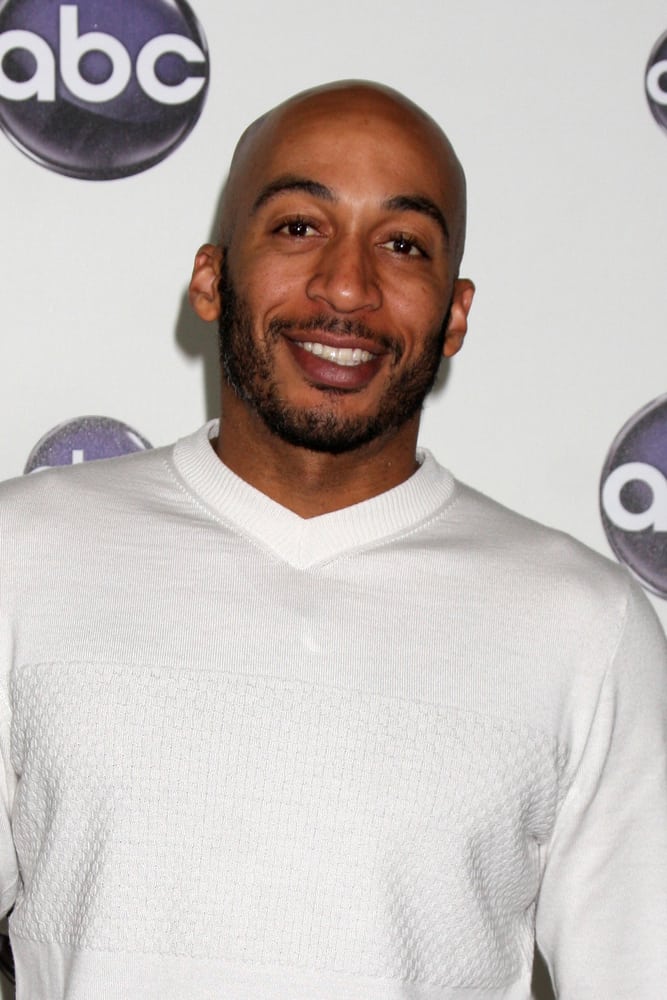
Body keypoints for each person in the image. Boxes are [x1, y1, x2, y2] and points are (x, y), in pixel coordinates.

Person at [0, 80, 665, 1000]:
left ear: (455, 314)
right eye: (298, 227)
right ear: (211, 277)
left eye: (402, 244)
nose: (346, 287)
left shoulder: (585, 625)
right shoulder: (23, 555)